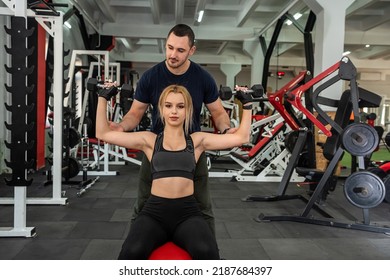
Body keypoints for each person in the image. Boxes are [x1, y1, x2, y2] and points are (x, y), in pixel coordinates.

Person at [96, 84, 253, 259]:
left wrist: (247, 105)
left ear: (188, 111)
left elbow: (242, 137)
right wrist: (102, 97)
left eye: (180, 106)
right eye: (168, 106)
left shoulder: (197, 141)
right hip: (154, 213)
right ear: (161, 110)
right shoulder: (149, 140)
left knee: (207, 251)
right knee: (131, 252)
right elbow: (102, 134)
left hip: (187, 213)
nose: (174, 111)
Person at [109, 24, 234, 234]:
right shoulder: (151, 76)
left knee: (203, 206)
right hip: (156, 148)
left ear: (191, 51)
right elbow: (135, 113)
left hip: (192, 148)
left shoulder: (203, 78)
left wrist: (226, 130)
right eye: (169, 47)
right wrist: (121, 126)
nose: (173, 54)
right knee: (142, 203)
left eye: (180, 50)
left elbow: (219, 113)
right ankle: (133, 257)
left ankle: (211, 258)